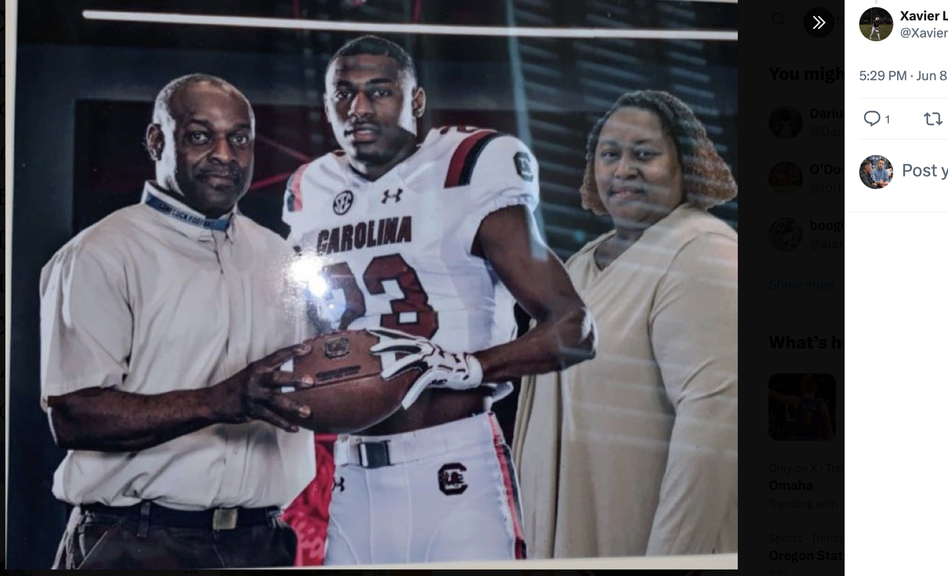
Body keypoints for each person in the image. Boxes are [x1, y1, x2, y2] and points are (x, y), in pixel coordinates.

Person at [280, 36, 595, 565]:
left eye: (378, 92)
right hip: (352, 472)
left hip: (455, 462)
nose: (358, 108)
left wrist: (464, 366)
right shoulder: (310, 187)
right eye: (343, 94)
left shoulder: (468, 164)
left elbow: (574, 327)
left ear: (416, 102)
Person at [40, 74, 318, 569]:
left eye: (239, 138)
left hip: (262, 542)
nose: (224, 155)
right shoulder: (100, 253)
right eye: (199, 135)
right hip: (136, 541)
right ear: (156, 141)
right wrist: (221, 400)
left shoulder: (279, 257)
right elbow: (74, 415)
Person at [512, 90, 738, 558]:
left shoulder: (701, 251)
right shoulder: (577, 266)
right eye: (609, 155)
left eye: (644, 155)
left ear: (688, 164)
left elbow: (715, 423)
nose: (623, 170)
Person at [769, 379, 835, 441]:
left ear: (804, 391)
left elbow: (775, 395)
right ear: (815, 390)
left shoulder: (797, 401)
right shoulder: (823, 406)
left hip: (798, 438)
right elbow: (828, 429)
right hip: (814, 439)